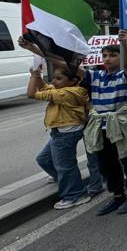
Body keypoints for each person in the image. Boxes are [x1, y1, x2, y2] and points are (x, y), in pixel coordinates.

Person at [79, 30, 127, 216]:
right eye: (104, 55)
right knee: (106, 163)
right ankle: (117, 195)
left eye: (112, 55)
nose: (107, 59)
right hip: (100, 126)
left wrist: (123, 44)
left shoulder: (125, 75)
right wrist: (39, 50)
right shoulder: (95, 76)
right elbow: (70, 68)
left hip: (120, 124)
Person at [28, 64, 91, 210]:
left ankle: (75, 195)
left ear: (73, 80)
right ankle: (65, 179)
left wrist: (33, 76)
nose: (54, 82)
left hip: (66, 134)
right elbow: (44, 88)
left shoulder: (67, 93)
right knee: (44, 159)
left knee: (65, 166)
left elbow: (32, 94)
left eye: (59, 78)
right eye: (53, 78)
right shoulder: (63, 90)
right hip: (60, 132)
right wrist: (37, 75)